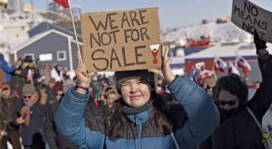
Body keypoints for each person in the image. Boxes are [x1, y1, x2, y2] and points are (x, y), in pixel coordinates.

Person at [55, 44, 219, 149]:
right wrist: (82, 86)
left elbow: (208, 117)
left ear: (151, 86)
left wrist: (171, 79)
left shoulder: (173, 120)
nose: (134, 89)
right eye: (126, 84)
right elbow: (68, 127)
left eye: (140, 82)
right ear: (119, 89)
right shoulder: (106, 124)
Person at [199, 32, 272, 149]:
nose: (226, 106)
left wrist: (262, 52)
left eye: (231, 103)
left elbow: (270, 84)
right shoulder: (211, 121)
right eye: (222, 103)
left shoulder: (252, 111)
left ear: (240, 99)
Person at [14, 84, 48, 149]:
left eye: (29, 97)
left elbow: (49, 118)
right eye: (24, 96)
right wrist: (16, 120)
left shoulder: (42, 102)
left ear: (34, 94)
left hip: (39, 138)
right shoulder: (20, 103)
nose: (26, 99)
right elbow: (14, 113)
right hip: (27, 139)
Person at [0, 82, 22, 149]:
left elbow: (21, 112)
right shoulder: (0, 101)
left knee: (17, 146)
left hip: (13, 127)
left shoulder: (15, 99)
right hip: (2, 128)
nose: (6, 91)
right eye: (4, 90)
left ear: (10, 89)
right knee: (2, 146)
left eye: (7, 89)